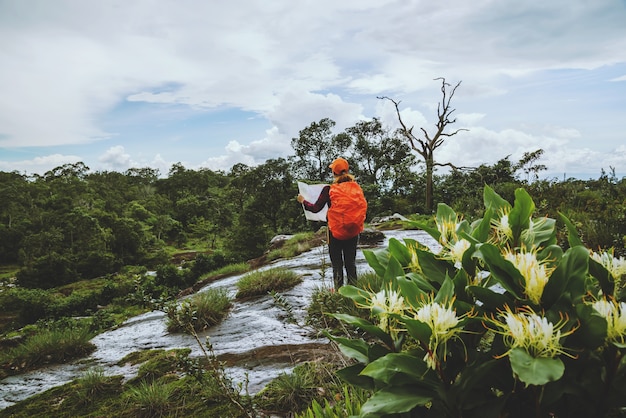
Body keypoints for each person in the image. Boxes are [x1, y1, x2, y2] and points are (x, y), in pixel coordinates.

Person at [297, 157, 367, 289]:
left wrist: (303, 201)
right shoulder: (356, 188)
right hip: (353, 231)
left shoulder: (329, 189)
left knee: (337, 264)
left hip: (334, 232)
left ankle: (340, 292)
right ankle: (355, 292)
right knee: (350, 263)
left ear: (334, 173)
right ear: (347, 170)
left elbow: (315, 208)